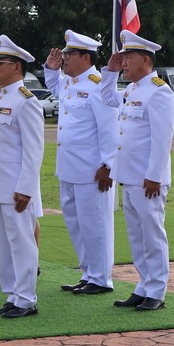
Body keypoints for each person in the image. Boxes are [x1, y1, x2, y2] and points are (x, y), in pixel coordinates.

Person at [102, 30, 174, 311]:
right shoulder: (132, 90)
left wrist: (154, 176)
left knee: (152, 234)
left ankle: (156, 290)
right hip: (129, 176)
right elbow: (107, 98)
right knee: (136, 235)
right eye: (122, 58)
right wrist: (110, 73)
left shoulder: (159, 91)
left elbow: (162, 139)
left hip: (148, 179)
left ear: (145, 60)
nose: (123, 62)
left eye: (128, 57)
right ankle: (144, 285)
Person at [0, 35, 44, 318]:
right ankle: (13, 295)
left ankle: (26, 299)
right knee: (2, 245)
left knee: (21, 242)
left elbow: (33, 150)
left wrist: (26, 188)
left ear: (16, 67)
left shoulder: (26, 101)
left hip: (15, 187)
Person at [44, 30, 118, 295]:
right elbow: (54, 87)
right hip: (69, 167)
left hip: (92, 170)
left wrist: (108, 165)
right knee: (76, 224)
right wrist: (51, 69)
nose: (64, 58)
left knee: (96, 224)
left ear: (86, 57)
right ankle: (88, 272)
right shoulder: (69, 83)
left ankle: (101, 278)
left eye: (69, 54)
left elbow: (110, 128)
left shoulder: (99, 86)